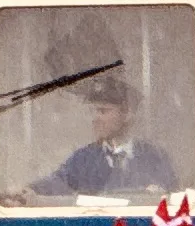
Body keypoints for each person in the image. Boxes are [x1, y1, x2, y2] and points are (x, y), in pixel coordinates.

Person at [37, 71, 177, 201]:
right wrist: (28, 192)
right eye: (93, 111)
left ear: (127, 114)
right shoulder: (83, 159)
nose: (95, 118)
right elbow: (56, 183)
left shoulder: (153, 158)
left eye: (103, 111)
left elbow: (170, 202)